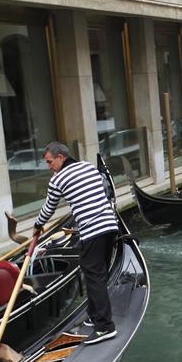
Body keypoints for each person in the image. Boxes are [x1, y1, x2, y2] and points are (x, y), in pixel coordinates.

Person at [33, 142, 118, 345]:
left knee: (93, 275)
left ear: (61, 157)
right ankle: (95, 314)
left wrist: (37, 225)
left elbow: (49, 208)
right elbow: (100, 191)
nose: (49, 166)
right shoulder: (88, 167)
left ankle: (105, 327)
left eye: (50, 162)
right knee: (99, 273)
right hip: (110, 224)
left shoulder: (58, 179)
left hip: (92, 230)